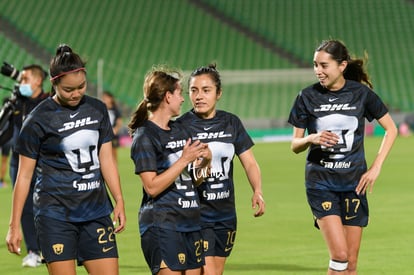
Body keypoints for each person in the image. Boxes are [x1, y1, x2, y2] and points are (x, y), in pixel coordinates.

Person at [6, 44, 126, 275]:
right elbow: (24, 176)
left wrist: (118, 199)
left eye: (81, 86)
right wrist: (14, 226)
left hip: (96, 212)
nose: (76, 93)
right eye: (69, 89)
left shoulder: (97, 109)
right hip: (55, 216)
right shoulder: (37, 119)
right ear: (54, 84)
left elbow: (106, 160)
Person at [288, 39, 397, 274]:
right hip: (321, 183)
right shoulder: (306, 96)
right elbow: (294, 145)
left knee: (351, 264)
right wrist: (311, 138)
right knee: (339, 255)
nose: (318, 71)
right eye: (315, 65)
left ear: (342, 65)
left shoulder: (361, 94)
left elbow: (391, 129)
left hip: (354, 184)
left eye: (324, 65)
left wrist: (376, 167)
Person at [176, 64, 265, 275]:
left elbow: (249, 162)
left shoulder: (231, 123)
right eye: (194, 90)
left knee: (216, 270)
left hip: (225, 214)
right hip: (195, 214)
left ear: (219, 93)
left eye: (206, 90)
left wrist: (258, 190)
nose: (199, 96)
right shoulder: (181, 126)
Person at [129, 66, 211, 275]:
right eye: (179, 93)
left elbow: (195, 181)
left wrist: (205, 163)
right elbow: (152, 187)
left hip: (191, 222)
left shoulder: (180, 130)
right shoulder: (145, 136)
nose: (183, 99)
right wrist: (184, 160)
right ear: (167, 97)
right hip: (162, 224)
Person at [9, 64, 50, 267]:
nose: (20, 83)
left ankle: (51, 248)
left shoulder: (48, 102)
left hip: (44, 161)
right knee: (24, 207)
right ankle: (33, 250)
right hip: (18, 161)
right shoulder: (17, 102)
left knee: (47, 205)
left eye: (24, 79)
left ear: (37, 81)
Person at [101, 90, 123, 164]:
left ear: (111, 98)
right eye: (103, 98)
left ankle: (114, 168)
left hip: (113, 134)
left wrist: (115, 130)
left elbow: (119, 122)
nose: (104, 100)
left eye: (106, 98)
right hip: (104, 134)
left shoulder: (115, 110)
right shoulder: (101, 109)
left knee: (113, 152)